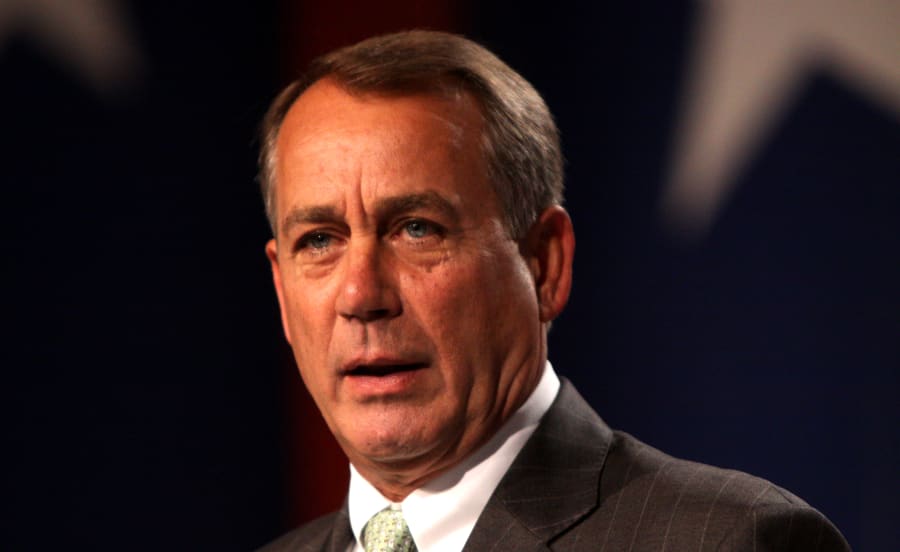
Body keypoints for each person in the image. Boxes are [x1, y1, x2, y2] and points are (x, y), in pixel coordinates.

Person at [256, 30, 849, 552]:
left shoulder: (732, 541)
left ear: (544, 264)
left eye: (417, 229)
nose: (361, 295)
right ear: (282, 291)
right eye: (319, 240)